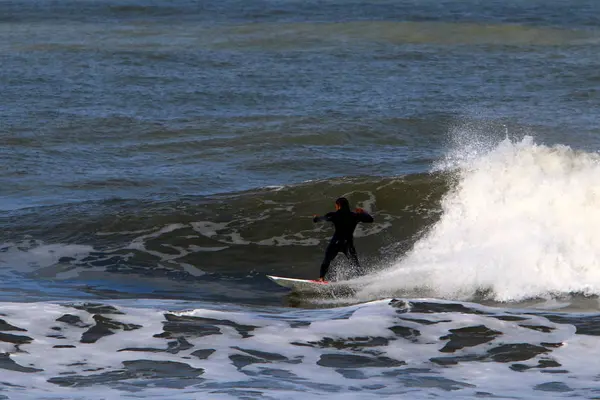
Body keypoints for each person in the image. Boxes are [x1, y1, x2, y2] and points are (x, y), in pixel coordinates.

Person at [313, 197, 374, 281]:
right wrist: (363, 212)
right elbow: (370, 220)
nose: (335, 208)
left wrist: (316, 218)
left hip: (336, 243)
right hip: (348, 243)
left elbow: (321, 219)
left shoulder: (334, 215)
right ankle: (361, 280)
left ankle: (321, 278)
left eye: (336, 206)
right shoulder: (355, 215)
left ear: (338, 206)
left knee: (327, 260)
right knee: (355, 264)